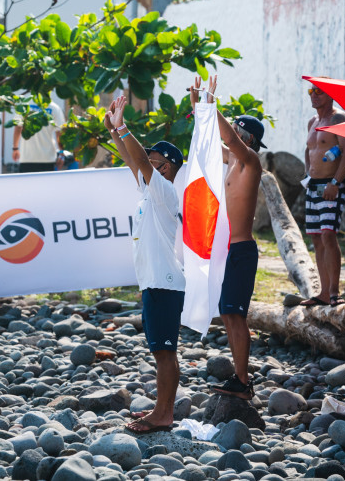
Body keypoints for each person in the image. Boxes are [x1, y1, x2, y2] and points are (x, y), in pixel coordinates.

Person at [104, 95, 185, 433]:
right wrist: (113, 132)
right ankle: (160, 409)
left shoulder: (165, 190)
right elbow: (132, 159)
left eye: (154, 162)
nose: (147, 166)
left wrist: (123, 127)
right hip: (155, 281)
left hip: (165, 282)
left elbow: (139, 159)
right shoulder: (149, 191)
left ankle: (164, 415)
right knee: (159, 352)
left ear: (168, 166)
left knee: (165, 353)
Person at [190, 75, 263, 399]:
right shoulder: (231, 160)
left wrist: (210, 103)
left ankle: (244, 380)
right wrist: (198, 104)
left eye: (238, 129)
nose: (233, 132)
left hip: (242, 248)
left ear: (248, 137)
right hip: (226, 250)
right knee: (229, 314)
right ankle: (239, 377)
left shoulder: (250, 162)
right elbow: (206, 139)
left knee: (236, 314)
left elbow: (230, 139)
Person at [301, 83, 345, 307]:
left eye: (318, 91)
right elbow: (309, 149)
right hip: (313, 186)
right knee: (316, 237)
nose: (313, 95)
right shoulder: (313, 122)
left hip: (331, 186)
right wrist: (306, 174)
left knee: (328, 235)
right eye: (310, 91)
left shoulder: (338, 119)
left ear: (330, 94)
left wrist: (335, 182)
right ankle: (323, 292)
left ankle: (334, 292)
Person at [12, 100, 65, 172]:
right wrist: (61, 154)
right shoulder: (54, 108)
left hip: (27, 157)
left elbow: (18, 127)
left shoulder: (24, 105)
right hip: (48, 158)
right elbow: (60, 133)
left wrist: (15, 148)